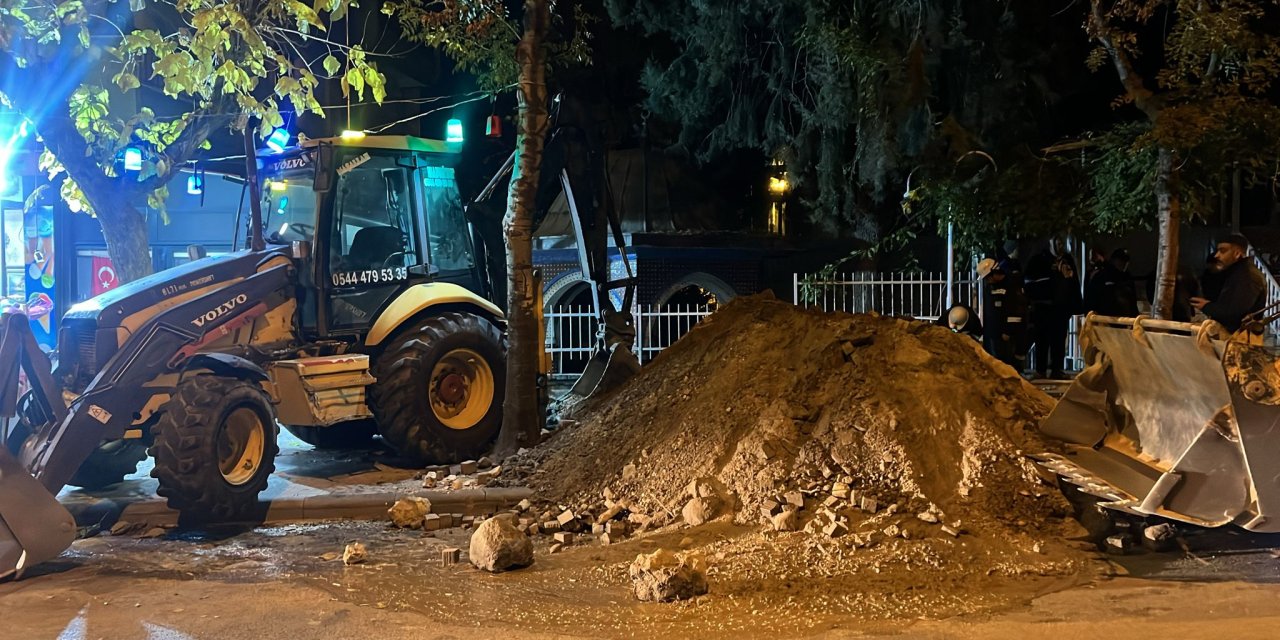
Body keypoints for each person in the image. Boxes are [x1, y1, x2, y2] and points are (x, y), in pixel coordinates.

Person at [1025, 238, 1082, 379]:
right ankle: (1040, 370)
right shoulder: (1039, 260)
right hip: (1043, 307)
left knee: (1059, 340)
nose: (1060, 245)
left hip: (1061, 309)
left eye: (1062, 241)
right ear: (1051, 241)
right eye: (1058, 241)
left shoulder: (1067, 260)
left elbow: (1074, 283)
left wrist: (1075, 306)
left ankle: (1057, 369)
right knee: (1041, 340)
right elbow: (1029, 283)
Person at [1189, 233, 1266, 333]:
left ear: (1237, 254)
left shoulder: (1246, 275)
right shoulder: (1238, 273)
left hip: (1239, 338)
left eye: (1222, 251)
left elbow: (1234, 313)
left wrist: (1207, 306)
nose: (1217, 255)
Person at [977, 258, 1028, 369]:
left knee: (1008, 366)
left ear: (993, 273)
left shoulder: (1012, 284)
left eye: (987, 278)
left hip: (1008, 336)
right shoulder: (990, 287)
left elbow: (1015, 309)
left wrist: (1008, 330)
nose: (987, 281)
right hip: (993, 334)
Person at [1084, 248, 1139, 317]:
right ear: (1114, 260)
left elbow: (1132, 301)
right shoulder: (1102, 275)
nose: (1123, 264)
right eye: (1121, 260)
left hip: (1124, 319)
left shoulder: (1127, 277)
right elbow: (1091, 298)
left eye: (1126, 261)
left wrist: (1135, 317)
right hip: (1104, 318)